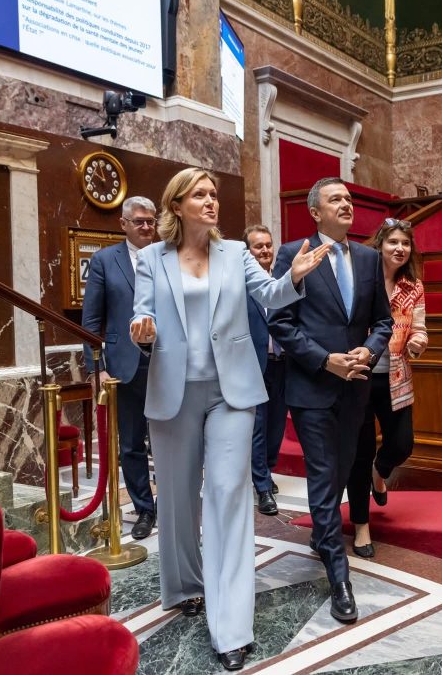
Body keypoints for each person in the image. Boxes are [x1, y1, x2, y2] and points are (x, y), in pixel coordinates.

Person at [129, 168, 330, 671]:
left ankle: (232, 628)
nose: (211, 201)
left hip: (231, 391)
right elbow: (142, 313)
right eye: (199, 194)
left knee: (227, 495)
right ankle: (185, 586)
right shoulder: (152, 258)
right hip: (173, 390)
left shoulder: (236, 253)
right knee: (178, 498)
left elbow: (271, 295)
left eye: (213, 194)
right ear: (176, 205)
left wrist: (294, 276)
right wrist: (141, 330)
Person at [268, 177, 393, 624]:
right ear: (315, 212)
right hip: (312, 387)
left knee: (340, 471)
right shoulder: (293, 254)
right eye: (335, 199)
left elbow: (383, 321)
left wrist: (369, 351)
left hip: (355, 386)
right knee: (323, 474)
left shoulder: (368, 257)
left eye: (349, 198)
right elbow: (280, 322)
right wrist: (324, 361)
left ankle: (321, 534)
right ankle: (339, 576)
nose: (346, 204)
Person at [346, 219, 428, 558]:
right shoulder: (360, 279)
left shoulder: (413, 286)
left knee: (402, 443)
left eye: (405, 243)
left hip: (396, 376)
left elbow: (419, 328)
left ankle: (380, 473)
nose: (400, 248)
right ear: (380, 245)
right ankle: (361, 526)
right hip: (360, 375)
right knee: (359, 453)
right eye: (393, 242)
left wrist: (418, 342)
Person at [80, 196, 158, 540]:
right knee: (131, 443)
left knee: (172, 439)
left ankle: (173, 503)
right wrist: (95, 367)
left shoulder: (169, 257)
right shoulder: (104, 261)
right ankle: (144, 509)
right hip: (124, 366)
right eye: (139, 221)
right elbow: (91, 321)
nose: (146, 227)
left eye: (151, 221)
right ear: (123, 224)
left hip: (167, 360)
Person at [243, 224, 288, 516]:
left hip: (282, 364)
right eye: (258, 246)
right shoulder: (242, 285)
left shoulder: (283, 280)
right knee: (257, 427)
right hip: (252, 365)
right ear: (247, 252)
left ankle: (267, 471)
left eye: (268, 245)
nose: (265, 250)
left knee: (277, 426)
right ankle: (262, 487)